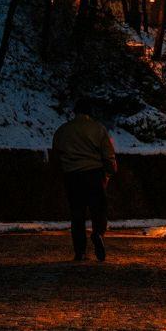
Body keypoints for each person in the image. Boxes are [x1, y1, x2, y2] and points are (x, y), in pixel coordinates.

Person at [51, 97, 117, 262]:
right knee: (99, 209)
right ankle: (97, 234)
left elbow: (56, 156)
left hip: (72, 176)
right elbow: (108, 154)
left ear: (75, 112)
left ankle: (79, 251)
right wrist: (110, 171)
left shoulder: (63, 130)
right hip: (94, 174)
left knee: (77, 213)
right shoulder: (98, 129)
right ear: (90, 112)